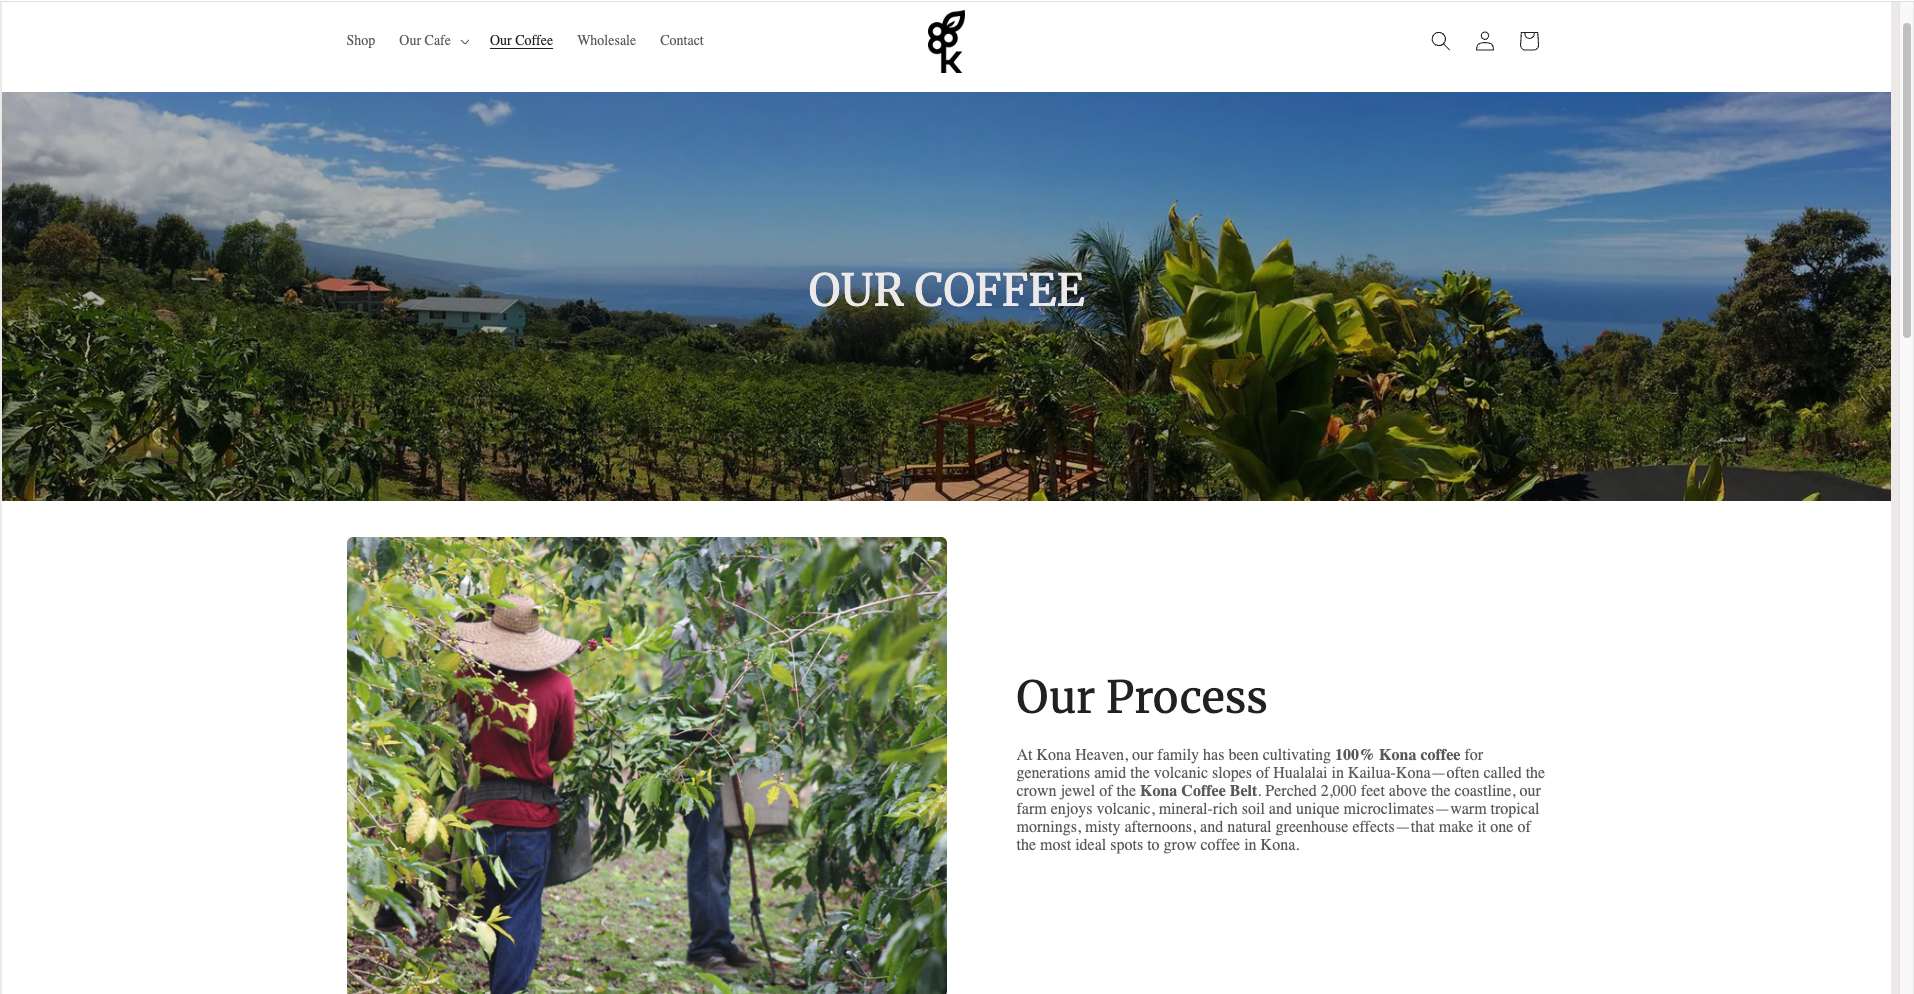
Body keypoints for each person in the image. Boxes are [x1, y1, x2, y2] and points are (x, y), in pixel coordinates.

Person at [453, 594, 580, 994]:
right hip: (529, 820)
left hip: (481, 816)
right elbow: (560, 750)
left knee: (491, 909)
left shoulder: (471, 677)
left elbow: (463, 728)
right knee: (521, 910)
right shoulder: (560, 685)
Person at [661, 616, 760, 977]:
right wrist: (726, 703)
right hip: (694, 749)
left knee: (722, 846)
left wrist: (735, 702)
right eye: (739, 599)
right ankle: (704, 947)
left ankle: (719, 938)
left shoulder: (715, 636)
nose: (742, 607)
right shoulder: (686, 633)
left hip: (717, 746)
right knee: (708, 848)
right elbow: (679, 700)